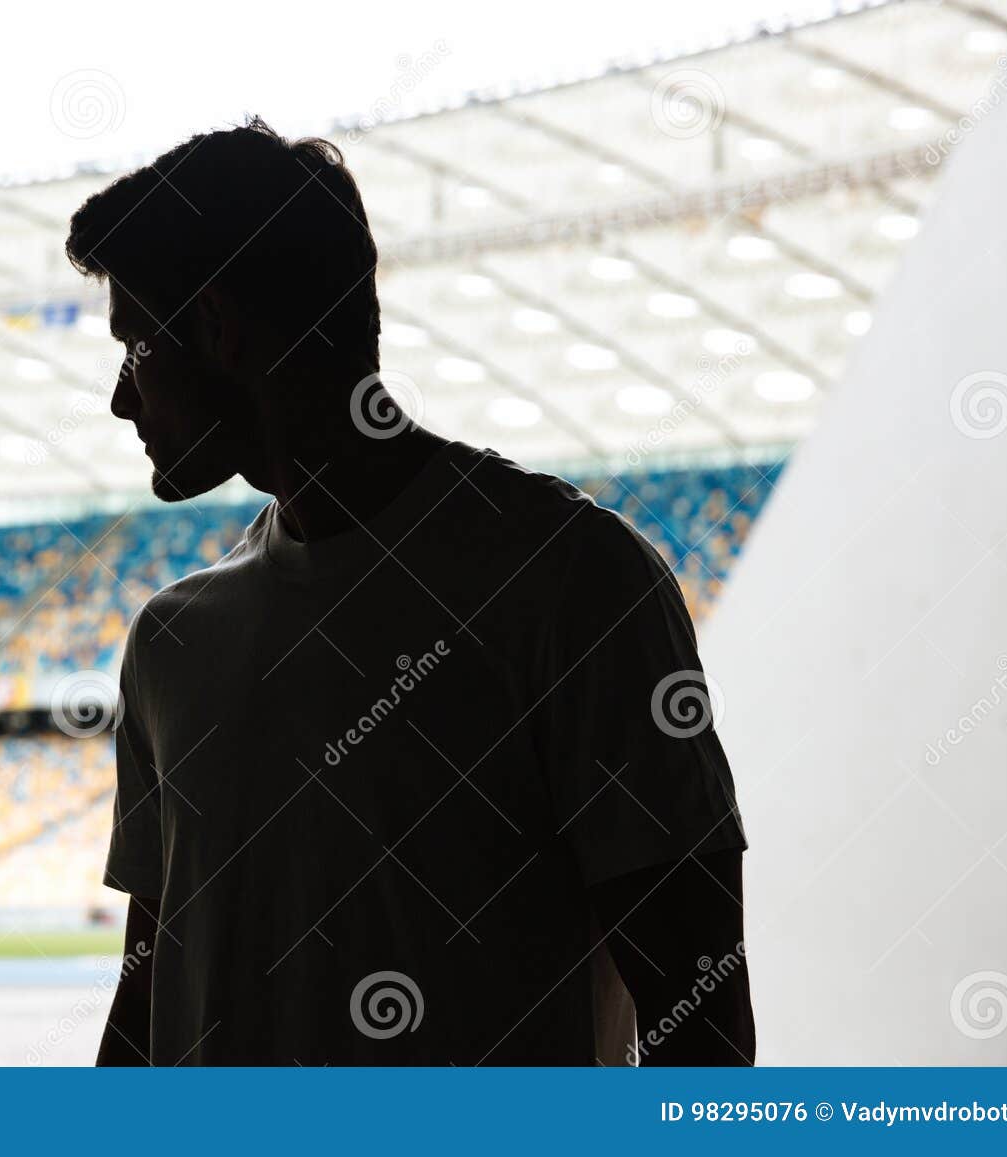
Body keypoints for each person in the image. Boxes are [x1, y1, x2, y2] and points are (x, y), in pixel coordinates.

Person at [66, 117, 754, 1066]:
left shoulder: (570, 587)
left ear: (218, 329)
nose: (119, 397)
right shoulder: (168, 643)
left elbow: (703, 1026)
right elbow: (148, 999)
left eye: (136, 346)